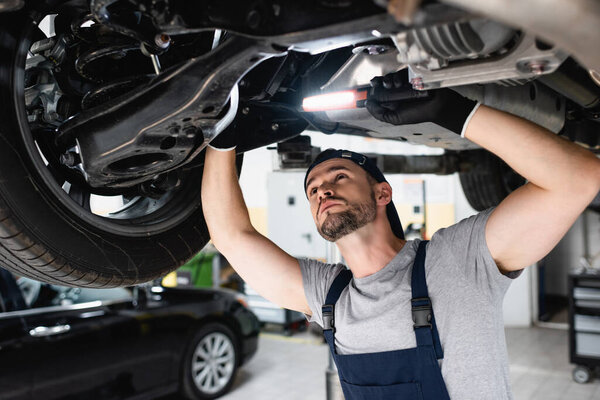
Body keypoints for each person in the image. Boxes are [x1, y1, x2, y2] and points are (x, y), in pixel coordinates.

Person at [201, 72, 600, 399]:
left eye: (339, 177)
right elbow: (231, 235)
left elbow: (576, 179)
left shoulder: (458, 258)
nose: (322, 190)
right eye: (313, 189)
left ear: (382, 193)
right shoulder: (329, 295)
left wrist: (456, 112)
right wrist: (223, 138)